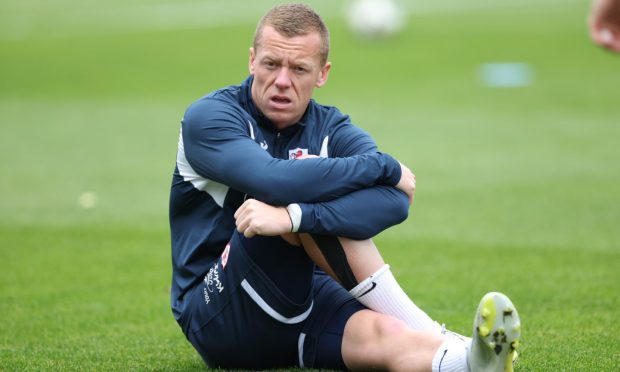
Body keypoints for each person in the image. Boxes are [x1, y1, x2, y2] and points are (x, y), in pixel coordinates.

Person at [169, 3, 520, 371]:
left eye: (299, 69)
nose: (282, 81)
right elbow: (272, 179)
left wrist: (293, 218)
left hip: (304, 298)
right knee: (300, 184)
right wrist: (382, 165)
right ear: (252, 60)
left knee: (388, 333)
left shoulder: (331, 128)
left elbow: (394, 202)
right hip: (220, 316)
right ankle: (438, 333)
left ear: (322, 73)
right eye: (272, 64)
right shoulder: (210, 118)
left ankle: (464, 360)